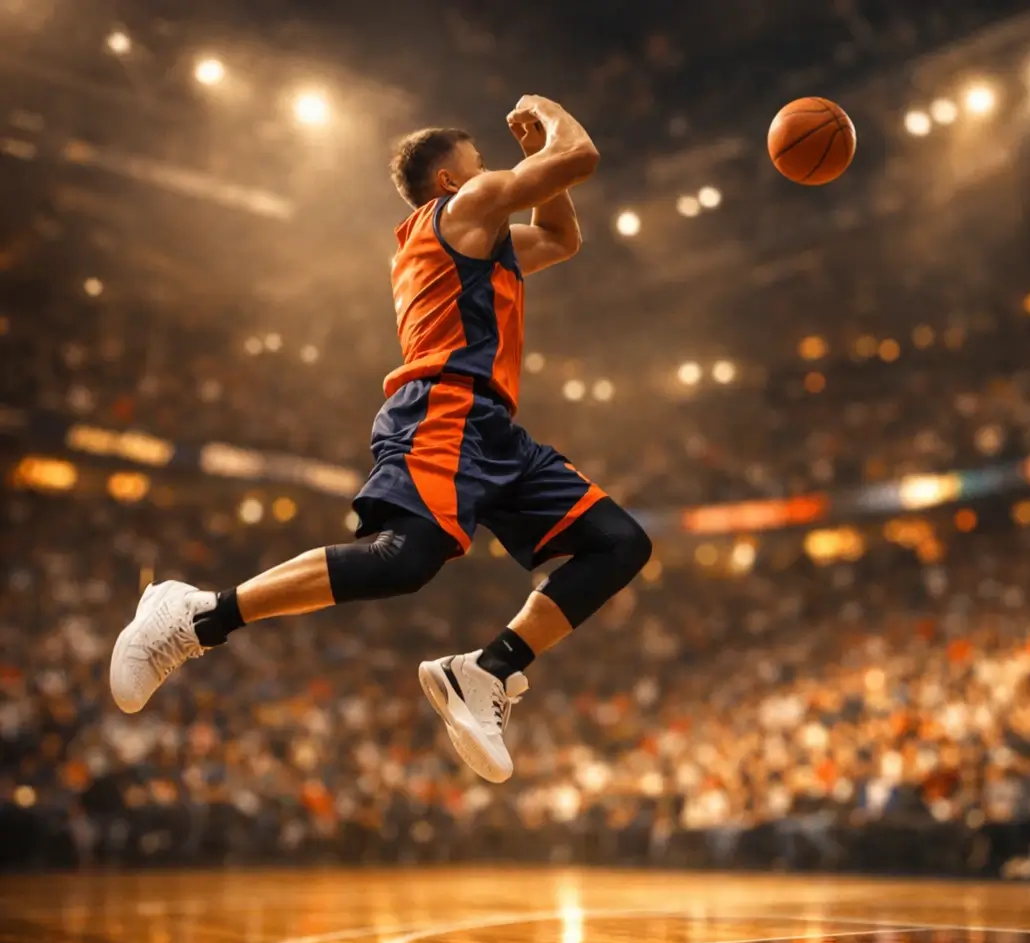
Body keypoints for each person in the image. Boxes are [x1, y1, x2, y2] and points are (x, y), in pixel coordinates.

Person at [109, 95, 652, 785]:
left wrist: (537, 164)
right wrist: (550, 118)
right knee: (404, 560)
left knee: (620, 542)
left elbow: (563, 236)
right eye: (479, 163)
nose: (491, 171)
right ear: (452, 181)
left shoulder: (486, 240)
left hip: (492, 429)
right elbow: (579, 157)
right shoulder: (459, 211)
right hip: (443, 407)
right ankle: (195, 616)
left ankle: (487, 670)